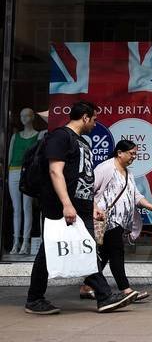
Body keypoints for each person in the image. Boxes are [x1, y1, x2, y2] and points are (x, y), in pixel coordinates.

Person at [24, 101, 139, 314]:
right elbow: (55, 171)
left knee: (81, 250)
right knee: (62, 251)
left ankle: (38, 298)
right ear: (85, 117)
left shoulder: (82, 142)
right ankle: (100, 296)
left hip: (81, 207)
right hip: (61, 207)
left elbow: (83, 178)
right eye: (94, 119)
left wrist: (92, 204)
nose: (95, 123)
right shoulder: (61, 137)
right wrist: (67, 205)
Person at [80, 140, 152, 301]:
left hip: (120, 221)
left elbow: (135, 195)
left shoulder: (128, 173)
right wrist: (94, 209)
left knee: (105, 254)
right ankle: (126, 290)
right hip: (106, 220)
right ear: (120, 153)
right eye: (131, 153)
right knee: (116, 252)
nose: (134, 157)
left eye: (135, 154)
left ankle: (87, 286)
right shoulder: (106, 168)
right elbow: (88, 189)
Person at [7, 108, 39, 254]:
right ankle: (16, 242)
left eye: (26, 115)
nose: (23, 118)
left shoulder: (38, 135)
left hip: (27, 173)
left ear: (33, 117)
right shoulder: (15, 136)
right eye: (21, 116)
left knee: (27, 208)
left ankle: (25, 242)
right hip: (13, 171)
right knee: (16, 209)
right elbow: (10, 156)